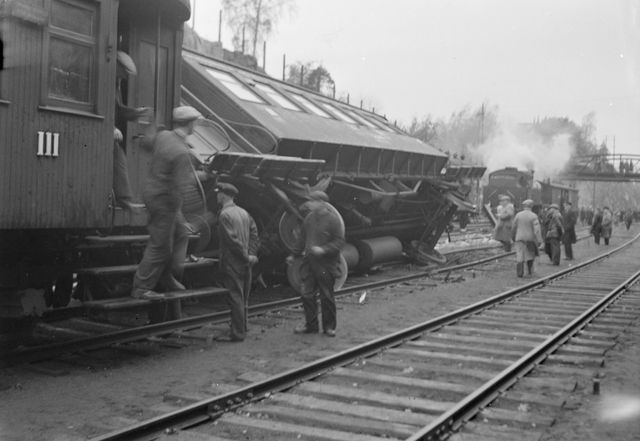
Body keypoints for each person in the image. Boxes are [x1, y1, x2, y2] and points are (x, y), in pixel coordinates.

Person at [131, 106, 202, 300]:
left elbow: (146, 143)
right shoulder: (181, 152)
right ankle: (141, 288)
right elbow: (181, 186)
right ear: (190, 124)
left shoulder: (164, 136)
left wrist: (153, 125)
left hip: (153, 194)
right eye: (195, 121)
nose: (196, 124)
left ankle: (166, 278)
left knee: (180, 234)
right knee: (160, 245)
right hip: (165, 200)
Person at [293, 191, 345, 337]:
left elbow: (340, 242)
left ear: (321, 203)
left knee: (326, 295)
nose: (309, 204)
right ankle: (311, 326)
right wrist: (294, 254)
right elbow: (302, 238)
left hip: (326, 264)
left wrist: (323, 249)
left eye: (312, 201)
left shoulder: (333, 220)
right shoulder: (309, 218)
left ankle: (329, 327)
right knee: (306, 294)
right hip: (310, 262)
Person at [215, 183, 259, 342]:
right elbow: (255, 234)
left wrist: (244, 256)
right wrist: (252, 254)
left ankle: (238, 334)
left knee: (235, 296)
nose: (217, 196)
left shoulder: (224, 215)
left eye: (218, 194)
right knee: (244, 296)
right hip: (247, 261)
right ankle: (244, 327)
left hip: (233, 262)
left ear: (223, 195)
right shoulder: (244, 213)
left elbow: (232, 241)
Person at [114, 51, 152, 209]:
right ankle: (124, 200)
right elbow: (107, 109)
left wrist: (137, 112)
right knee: (119, 157)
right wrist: (111, 127)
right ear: (117, 66)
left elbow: (118, 109)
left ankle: (123, 199)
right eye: (123, 73)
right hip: (104, 130)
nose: (124, 78)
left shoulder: (115, 83)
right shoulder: (107, 80)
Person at [511, 199, 542, 277]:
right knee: (530, 255)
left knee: (519, 255)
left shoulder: (518, 215)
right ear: (531, 206)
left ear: (524, 206)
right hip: (530, 239)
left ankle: (520, 273)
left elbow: (514, 227)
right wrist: (539, 240)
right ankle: (529, 271)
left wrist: (513, 237)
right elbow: (537, 230)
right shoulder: (534, 216)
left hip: (519, 238)